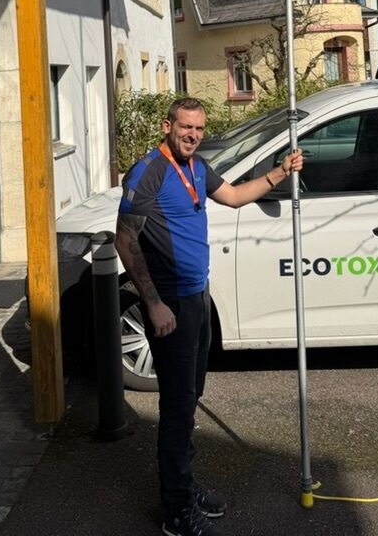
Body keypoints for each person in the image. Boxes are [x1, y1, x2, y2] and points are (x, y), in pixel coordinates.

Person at [115, 97, 303, 536]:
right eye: (185, 128)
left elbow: (235, 197)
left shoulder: (198, 168)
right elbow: (125, 241)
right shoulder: (149, 172)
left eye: (199, 129)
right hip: (172, 305)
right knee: (177, 408)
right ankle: (177, 512)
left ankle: (184, 485)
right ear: (167, 126)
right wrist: (154, 304)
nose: (193, 135)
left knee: (189, 397)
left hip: (197, 299)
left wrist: (280, 171)